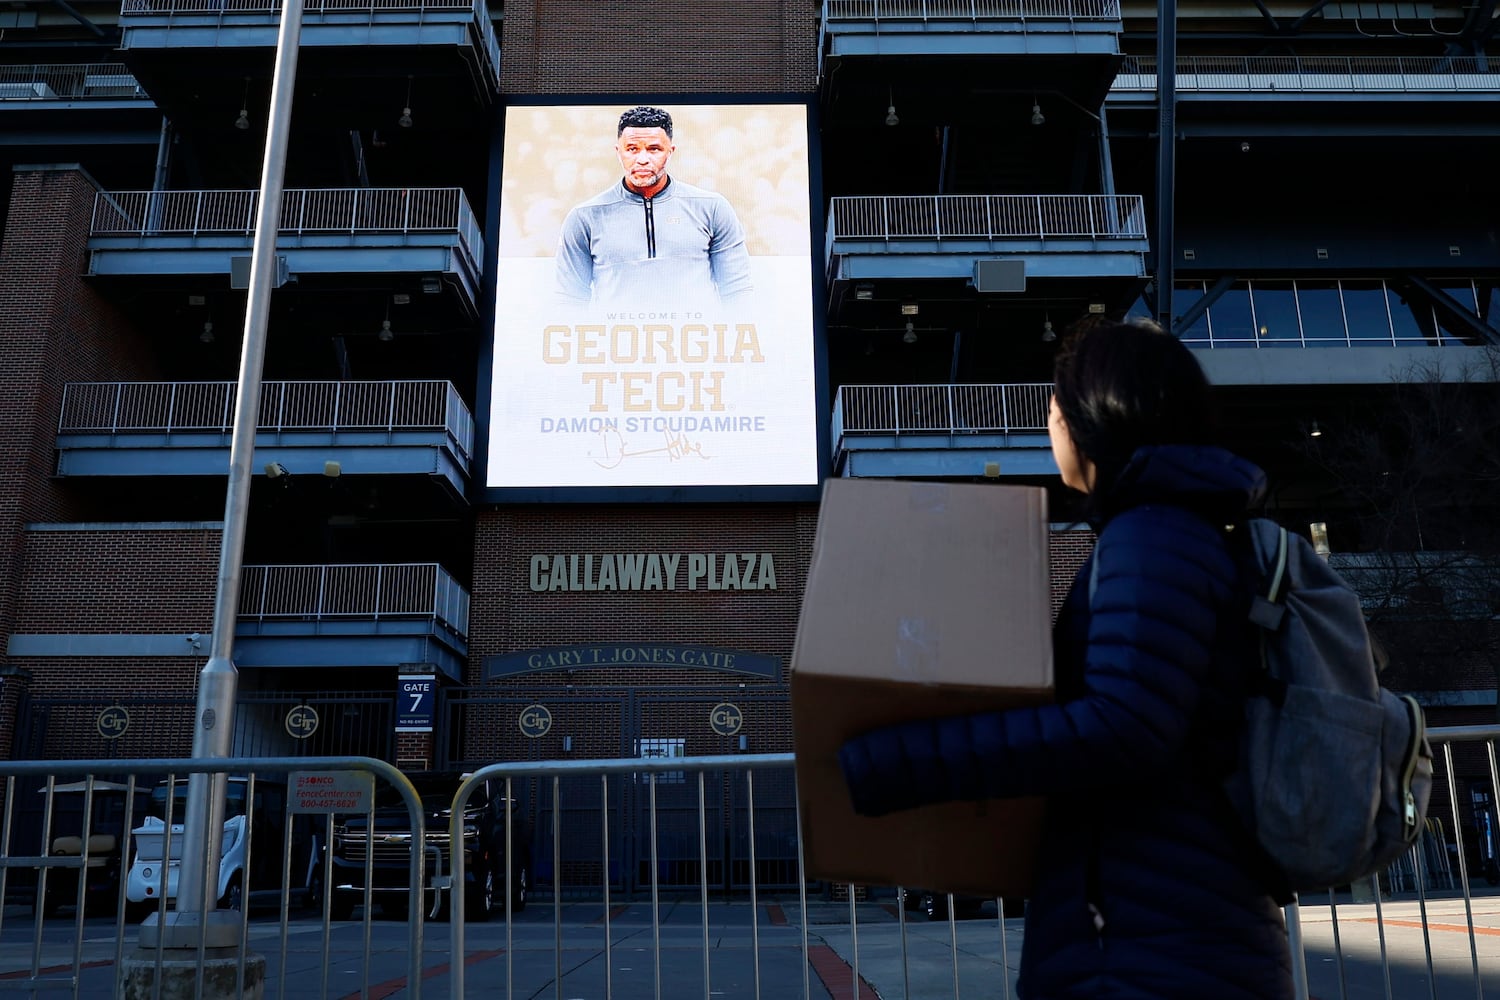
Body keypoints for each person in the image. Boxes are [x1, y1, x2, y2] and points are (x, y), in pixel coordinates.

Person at [837, 318, 1295, 999]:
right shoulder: (1170, 532)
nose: (1051, 432)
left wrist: (900, 760)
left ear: (1095, 420)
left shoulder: (1153, 540)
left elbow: (1123, 726)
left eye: (1054, 414)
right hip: (1162, 932)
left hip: (1149, 952)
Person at [554, 106, 754, 309]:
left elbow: (737, 290)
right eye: (632, 149)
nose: (642, 159)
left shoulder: (711, 208)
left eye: (654, 149)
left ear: (670, 151)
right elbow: (570, 299)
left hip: (695, 338)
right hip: (616, 339)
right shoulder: (584, 217)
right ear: (618, 152)